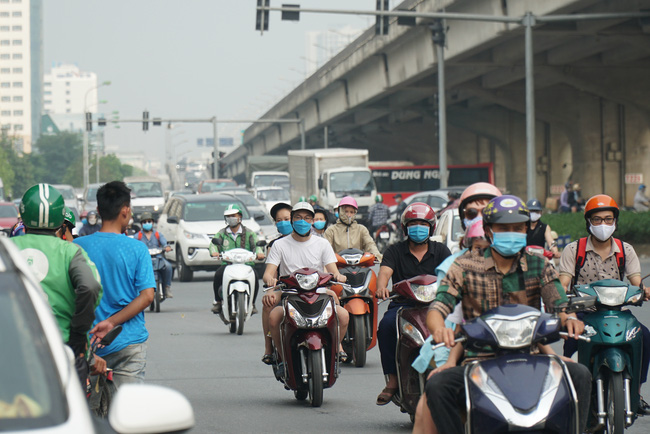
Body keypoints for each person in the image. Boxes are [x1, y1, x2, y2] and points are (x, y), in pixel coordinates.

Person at [419, 195, 591, 434]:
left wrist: (570, 320)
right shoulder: (464, 266)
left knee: (580, 374)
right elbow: (439, 307)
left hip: (533, 359)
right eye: (504, 228)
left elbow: (559, 305)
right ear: (489, 231)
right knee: (438, 385)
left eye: (517, 228)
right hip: (479, 361)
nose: (512, 233)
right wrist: (439, 328)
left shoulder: (539, 265)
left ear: (525, 229)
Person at [558, 194, 650, 414]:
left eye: (608, 219)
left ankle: (636, 393)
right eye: (597, 220)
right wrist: (561, 298)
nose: (603, 224)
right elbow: (563, 282)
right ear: (588, 222)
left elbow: (636, 281)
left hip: (617, 312)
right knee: (570, 341)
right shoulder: (574, 249)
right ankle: (570, 394)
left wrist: (644, 291)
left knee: (645, 336)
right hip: (583, 313)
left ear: (615, 221)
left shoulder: (625, 250)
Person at [12, 184, 103, 379]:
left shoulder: (6, 248)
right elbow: (90, 286)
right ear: (60, 219)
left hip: (12, 351)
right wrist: (78, 333)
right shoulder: (70, 252)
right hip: (62, 351)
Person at [75, 181, 155, 392]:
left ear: (99, 211)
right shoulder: (137, 249)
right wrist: (111, 322)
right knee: (128, 417)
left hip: (89, 346)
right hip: (128, 343)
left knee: (89, 419)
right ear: (125, 210)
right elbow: (147, 296)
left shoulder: (77, 248)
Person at [375, 202, 451, 405]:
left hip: (436, 306)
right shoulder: (394, 251)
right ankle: (392, 380)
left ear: (431, 227)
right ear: (405, 228)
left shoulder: (441, 251)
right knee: (385, 327)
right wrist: (382, 287)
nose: (418, 228)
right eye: (413, 224)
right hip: (403, 305)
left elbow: (452, 274)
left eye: (423, 224)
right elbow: (384, 272)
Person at [262, 202, 350, 362]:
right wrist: (270, 279)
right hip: (290, 293)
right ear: (292, 220)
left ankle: (337, 346)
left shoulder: (322, 243)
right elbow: (269, 272)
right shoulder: (279, 245)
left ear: (312, 221)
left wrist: (338, 276)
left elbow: (333, 270)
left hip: (318, 292)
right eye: (298, 217)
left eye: (307, 218)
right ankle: (282, 357)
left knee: (343, 315)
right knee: (274, 317)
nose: (303, 221)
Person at [210, 203, 265, 315]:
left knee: (254, 277)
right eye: (228, 216)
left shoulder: (249, 233)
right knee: (218, 275)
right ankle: (218, 301)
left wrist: (260, 254)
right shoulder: (222, 233)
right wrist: (214, 252)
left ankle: (252, 303)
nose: (231, 219)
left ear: (240, 216)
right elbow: (213, 244)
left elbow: (257, 245)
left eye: (233, 215)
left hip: (246, 265)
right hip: (228, 265)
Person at [324, 196, 382, 260]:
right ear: (340, 211)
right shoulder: (331, 230)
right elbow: (325, 250)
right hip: (338, 266)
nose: (349, 215)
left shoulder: (361, 229)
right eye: (346, 211)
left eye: (351, 212)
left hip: (359, 266)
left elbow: (370, 245)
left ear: (355, 213)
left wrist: (376, 256)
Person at [135, 211, 173, 299]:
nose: (147, 223)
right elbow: (135, 246)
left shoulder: (157, 234)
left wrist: (166, 247)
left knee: (168, 267)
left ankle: (167, 287)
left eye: (149, 221)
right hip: (144, 260)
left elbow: (164, 243)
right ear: (141, 224)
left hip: (158, 258)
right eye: (144, 222)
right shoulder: (138, 236)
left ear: (152, 222)